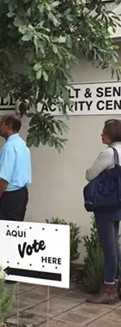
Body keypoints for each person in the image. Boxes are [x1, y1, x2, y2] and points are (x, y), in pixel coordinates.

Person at [85, 119, 121, 304]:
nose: (101, 134)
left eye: (103, 131)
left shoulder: (109, 154)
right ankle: (114, 284)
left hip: (106, 206)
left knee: (109, 248)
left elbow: (90, 174)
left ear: (111, 134)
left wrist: (90, 172)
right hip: (118, 204)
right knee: (114, 245)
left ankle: (109, 289)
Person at [0, 114, 32, 221]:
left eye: (1, 124)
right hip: (21, 193)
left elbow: (5, 177)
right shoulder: (22, 145)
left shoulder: (9, 147)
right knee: (16, 230)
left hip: (9, 196)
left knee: (5, 233)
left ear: (9, 126)